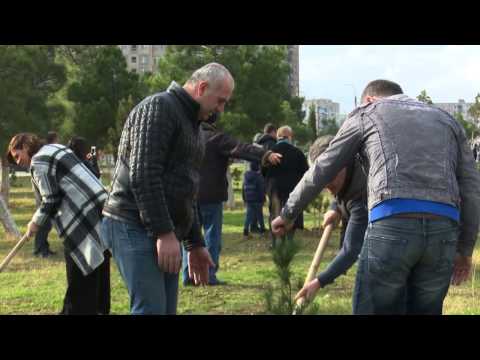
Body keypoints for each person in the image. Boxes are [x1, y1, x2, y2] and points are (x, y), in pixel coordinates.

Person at [273, 79, 480, 315]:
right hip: (443, 230)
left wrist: (288, 212)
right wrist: (465, 249)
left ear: (370, 100)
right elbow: (472, 188)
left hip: (392, 222)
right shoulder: (449, 121)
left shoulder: (366, 113)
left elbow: (324, 166)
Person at [101, 63, 234, 314]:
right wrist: (164, 232)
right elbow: (144, 174)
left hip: (160, 228)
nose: (221, 109)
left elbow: (186, 188)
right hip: (130, 222)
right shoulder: (159, 108)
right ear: (202, 88)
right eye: (220, 101)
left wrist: (194, 243)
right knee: (151, 309)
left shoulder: (192, 123)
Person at [7, 133, 109, 315]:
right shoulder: (56, 148)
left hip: (82, 222)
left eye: (17, 155)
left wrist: (34, 223)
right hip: (102, 216)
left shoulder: (38, 161)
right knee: (98, 279)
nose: (18, 162)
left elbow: (51, 199)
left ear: (25, 145)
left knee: (80, 285)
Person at [182, 113, 282, 286]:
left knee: (189, 236)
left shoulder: (185, 137)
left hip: (189, 195)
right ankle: (209, 275)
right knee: (212, 237)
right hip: (211, 196)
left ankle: (188, 276)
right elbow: (241, 148)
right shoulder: (216, 138)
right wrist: (265, 155)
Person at [293, 135, 368, 303]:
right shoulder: (352, 170)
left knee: (366, 299)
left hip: (397, 247)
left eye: (330, 175)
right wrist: (335, 208)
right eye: (321, 177)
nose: (325, 183)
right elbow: (343, 190)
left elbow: (350, 251)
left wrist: (319, 282)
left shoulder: (362, 194)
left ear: (344, 163)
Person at [67, 136, 110, 314]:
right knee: (100, 267)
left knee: (86, 272)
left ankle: (91, 307)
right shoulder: (85, 166)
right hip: (99, 220)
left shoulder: (72, 168)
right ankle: (101, 306)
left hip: (82, 224)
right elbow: (97, 176)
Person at [264, 126, 309, 248]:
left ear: (278, 136)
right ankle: (289, 242)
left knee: (274, 214)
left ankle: (275, 243)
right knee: (291, 213)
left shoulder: (269, 153)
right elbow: (306, 172)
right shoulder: (297, 152)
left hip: (274, 189)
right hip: (292, 189)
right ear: (290, 137)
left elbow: (263, 171)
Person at [32, 131, 59, 258]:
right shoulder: (44, 154)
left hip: (45, 195)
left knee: (46, 225)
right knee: (43, 224)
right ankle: (39, 249)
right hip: (44, 197)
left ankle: (44, 248)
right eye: (57, 139)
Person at [242, 161, 266, 238]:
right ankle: (262, 230)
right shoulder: (259, 177)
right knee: (260, 216)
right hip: (258, 199)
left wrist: (244, 198)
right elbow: (261, 189)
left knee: (248, 215)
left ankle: (245, 230)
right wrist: (263, 199)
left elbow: (243, 188)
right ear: (258, 167)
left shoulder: (246, 176)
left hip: (249, 199)